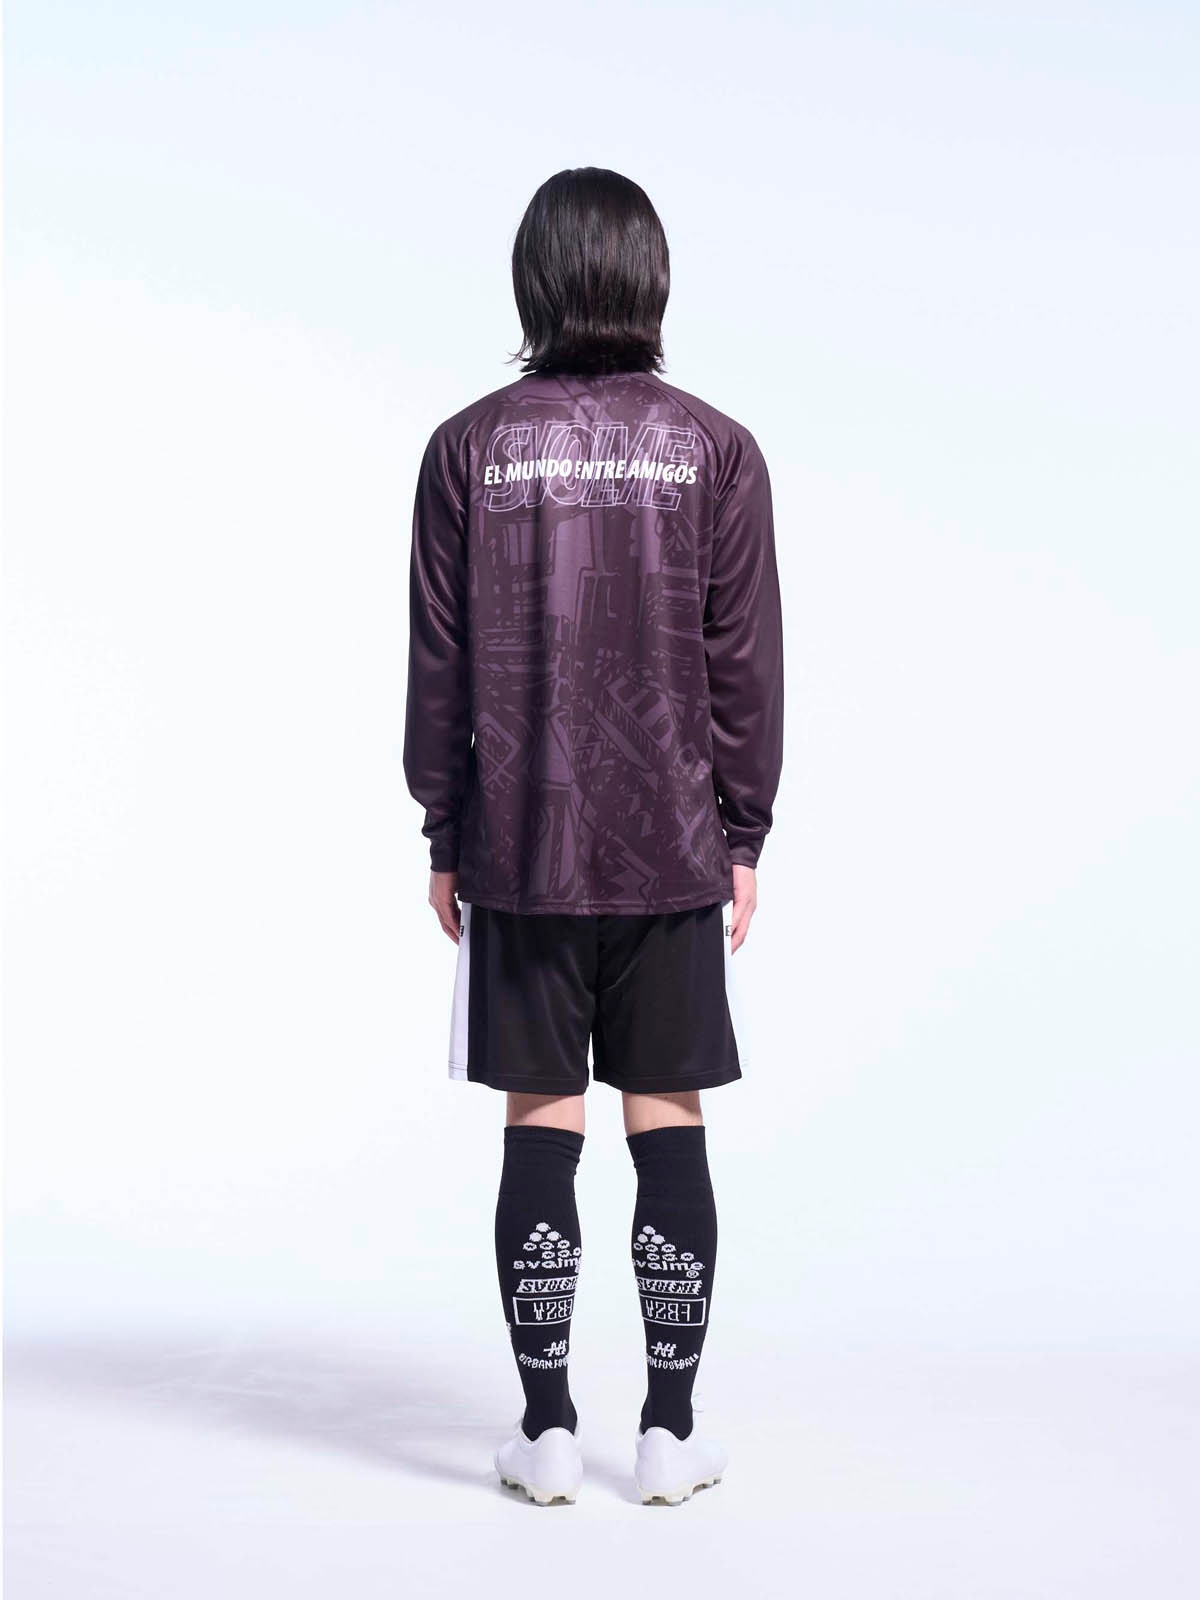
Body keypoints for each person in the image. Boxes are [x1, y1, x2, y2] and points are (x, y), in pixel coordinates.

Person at [403, 167, 784, 1506]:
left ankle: (549, 1430)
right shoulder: (718, 450)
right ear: (650, 278)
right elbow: (743, 666)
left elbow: (440, 662)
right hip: (672, 848)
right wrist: (743, 835)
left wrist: (445, 829)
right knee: (666, 1119)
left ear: (535, 278)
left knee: (541, 1121)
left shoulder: (467, 449)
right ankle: (670, 1433)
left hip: (523, 845)